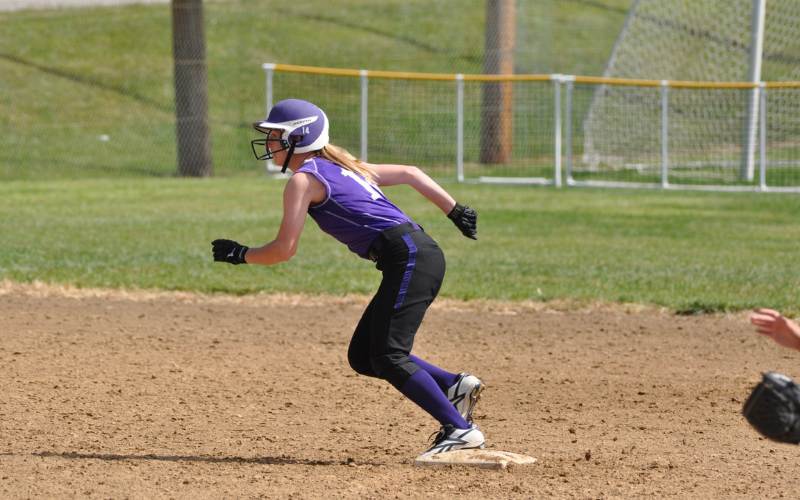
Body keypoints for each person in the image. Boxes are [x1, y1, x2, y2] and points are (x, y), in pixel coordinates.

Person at [211, 98, 485, 457]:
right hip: (413, 255)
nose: (270, 143)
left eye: (276, 135)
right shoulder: (344, 166)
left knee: (388, 355)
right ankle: (454, 385)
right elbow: (411, 173)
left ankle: (460, 430)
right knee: (364, 356)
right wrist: (455, 210)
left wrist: (241, 254)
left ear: (299, 137)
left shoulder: (304, 180)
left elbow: (284, 249)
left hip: (409, 256)